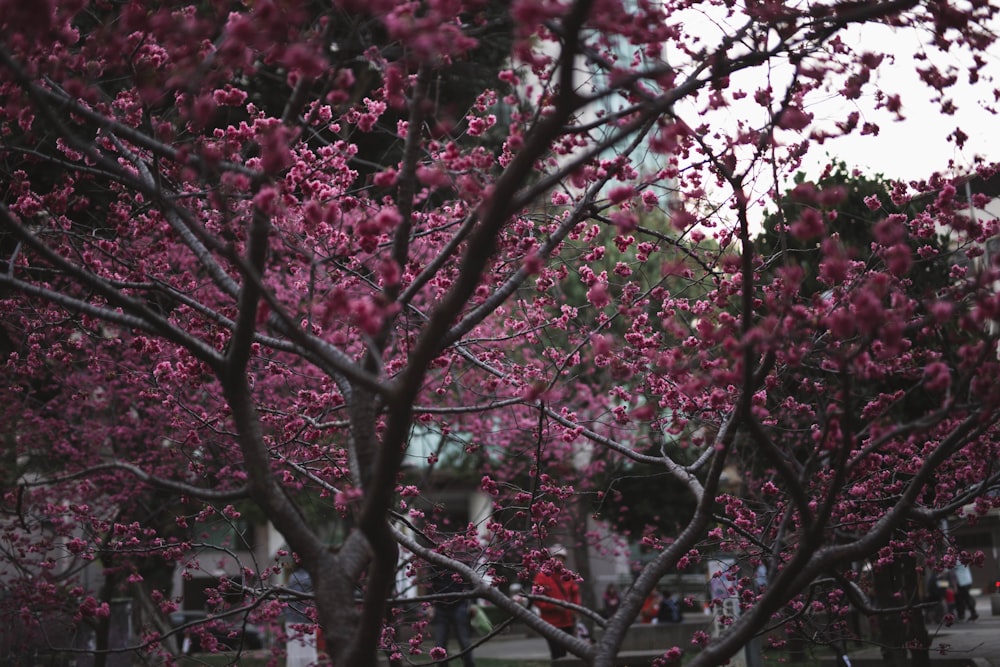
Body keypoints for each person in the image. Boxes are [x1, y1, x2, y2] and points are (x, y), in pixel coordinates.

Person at [532, 546, 581, 660]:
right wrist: (553, 607)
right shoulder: (541, 577)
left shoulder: (568, 576)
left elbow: (575, 594)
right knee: (557, 653)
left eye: (562, 558)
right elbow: (537, 599)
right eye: (556, 557)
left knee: (565, 653)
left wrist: (575, 609)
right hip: (551, 623)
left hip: (568, 621)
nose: (559, 561)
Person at [429, 565, 476, 667]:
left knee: (464, 641)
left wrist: (473, 603)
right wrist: (430, 605)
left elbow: (471, 583)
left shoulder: (461, 560)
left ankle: (469, 664)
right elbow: (431, 584)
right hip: (440, 606)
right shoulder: (434, 563)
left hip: (459, 605)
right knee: (440, 643)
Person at [284, 565, 317, 667]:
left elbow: (287, 599)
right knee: (310, 651)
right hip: (308, 619)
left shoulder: (293, 577)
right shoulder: (312, 577)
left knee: (294, 652)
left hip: (292, 618)